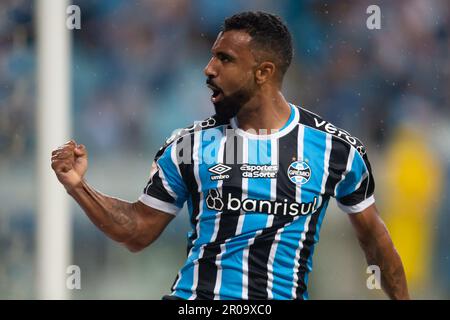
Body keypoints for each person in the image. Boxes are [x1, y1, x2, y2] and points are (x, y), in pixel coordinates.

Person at [51, 11, 409, 300]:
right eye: (211, 57)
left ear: (263, 72)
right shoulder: (189, 146)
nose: (209, 69)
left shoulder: (335, 150)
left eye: (225, 59)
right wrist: (78, 187)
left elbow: (375, 241)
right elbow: (137, 232)